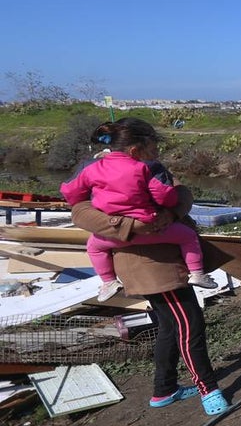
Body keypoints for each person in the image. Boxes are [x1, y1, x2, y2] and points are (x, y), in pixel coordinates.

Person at [70, 163, 230, 417]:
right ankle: (208, 390)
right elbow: (80, 211)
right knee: (190, 327)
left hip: (164, 260)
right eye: (150, 143)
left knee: (169, 327)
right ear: (134, 145)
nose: (154, 149)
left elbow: (182, 193)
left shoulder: (147, 166)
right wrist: (127, 224)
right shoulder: (100, 171)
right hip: (156, 268)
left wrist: (172, 213)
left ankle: (164, 389)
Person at [60, 119, 218, 302]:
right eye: (153, 149)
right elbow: (167, 196)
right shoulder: (147, 168)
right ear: (135, 150)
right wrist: (160, 213)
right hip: (157, 260)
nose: (156, 154)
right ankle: (197, 273)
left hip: (120, 243)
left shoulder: (90, 168)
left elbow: (70, 193)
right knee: (187, 325)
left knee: (94, 247)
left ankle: (108, 281)